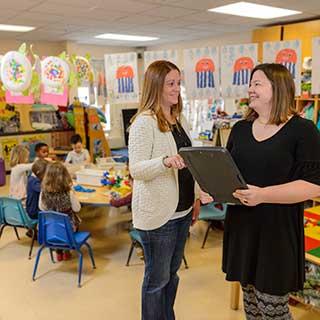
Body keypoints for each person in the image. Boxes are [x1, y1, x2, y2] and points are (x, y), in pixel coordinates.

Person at [201, 63, 320, 320]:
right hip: (243, 228)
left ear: (277, 88)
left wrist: (263, 195)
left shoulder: (303, 130)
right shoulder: (241, 129)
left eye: (258, 83)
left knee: (273, 310)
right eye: (251, 84)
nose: (250, 89)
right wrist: (210, 188)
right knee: (252, 305)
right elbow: (227, 172)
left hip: (276, 233)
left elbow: (314, 184)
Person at [128, 60, 200, 320]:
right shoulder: (143, 123)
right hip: (159, 216)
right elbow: (136, 169)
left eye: (178, 83)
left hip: (182, 211)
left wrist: (198, 197)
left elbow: (191, 160)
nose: (176, 89)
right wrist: (164, 162)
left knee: (172, 275)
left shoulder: (179, 119)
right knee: (156, 281)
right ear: (155, 86)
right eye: (170, 83)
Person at [39, 162, 81, 261]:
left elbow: (42, 208)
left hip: (50, 228)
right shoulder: (68, 192)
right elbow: (77, 209)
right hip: (68, 228)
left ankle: (58, 252)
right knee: (73, 221)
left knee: (57, 225)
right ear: (65, 176)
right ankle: (66, 251)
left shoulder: (43, 192)